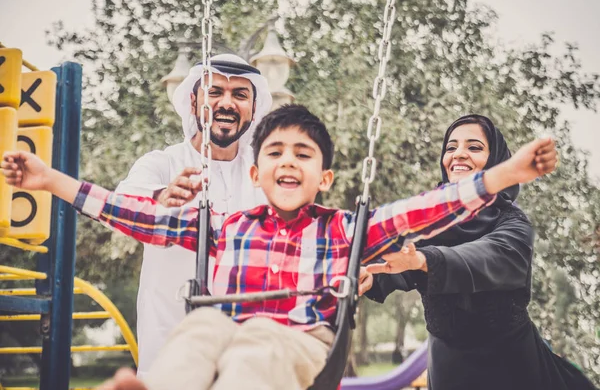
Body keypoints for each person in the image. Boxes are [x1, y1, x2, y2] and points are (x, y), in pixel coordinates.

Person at [1, 106, 558, 390]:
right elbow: (137, 216)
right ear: (256, 171)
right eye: (275, 152)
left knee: (256, 346)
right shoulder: (224, 224)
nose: (288, 160)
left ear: (325, 178)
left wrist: (506, 172)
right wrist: (52, 180)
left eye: (303, 154)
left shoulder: (344, 228)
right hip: (228, 325)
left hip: (302, 342)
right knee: (199, 332)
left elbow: (427, 209)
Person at [360, 114, 597, 390]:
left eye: (474, 147)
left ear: (495, 159)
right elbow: (390, 259)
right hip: (448, 371)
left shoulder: (513, 223)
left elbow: (491, 257)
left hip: (513, 371)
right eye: (451, 147)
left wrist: (424, 260)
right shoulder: (428, 222)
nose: (458, 154)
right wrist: (366, 274)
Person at [115, 54, 271, 377]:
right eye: (215, 92)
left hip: (245, 356)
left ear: (253, 109)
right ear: (193, 100)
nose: (226, 103)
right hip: (169, 347)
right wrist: (160, 197)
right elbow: (121, 203)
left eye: (240, 95)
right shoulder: (163, 164)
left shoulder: (265, 174)